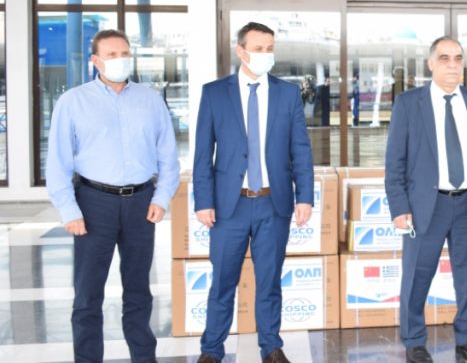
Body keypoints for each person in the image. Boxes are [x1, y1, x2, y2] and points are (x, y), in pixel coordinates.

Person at [46, 29, 180, 363]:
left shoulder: (151, 100)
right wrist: (69, 210)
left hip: (141, 203)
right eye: (111, 55)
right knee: (88, 295)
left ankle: (144, 358)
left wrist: (161, 198)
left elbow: (168, 156)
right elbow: (58, 162)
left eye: (124, 54)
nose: (120, 60)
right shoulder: (73, 102)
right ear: (95, 61)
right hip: (94, 204)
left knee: (139, 292)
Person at [193, 22, 314, 363]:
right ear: (241, 51)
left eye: (269, 48)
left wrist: (305, 196)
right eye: (258, 48)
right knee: (222, 282)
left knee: (270, 281)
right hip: (228, 207)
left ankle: (271, 347)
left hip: (273, 204)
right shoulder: (215, 93)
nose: (265, 54)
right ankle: (211, 350)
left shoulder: (287, 93)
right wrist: (203, 201)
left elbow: (300, 149)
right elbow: (202, 153)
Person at [384, 36, 467, 363]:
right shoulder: (409, 103)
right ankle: (414, 341)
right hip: (427, 205)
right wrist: (399, 207)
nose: (453, 65)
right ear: (431, 63)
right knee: (417, 275)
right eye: (445, 58)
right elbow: (394, 161)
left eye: (458, 58)